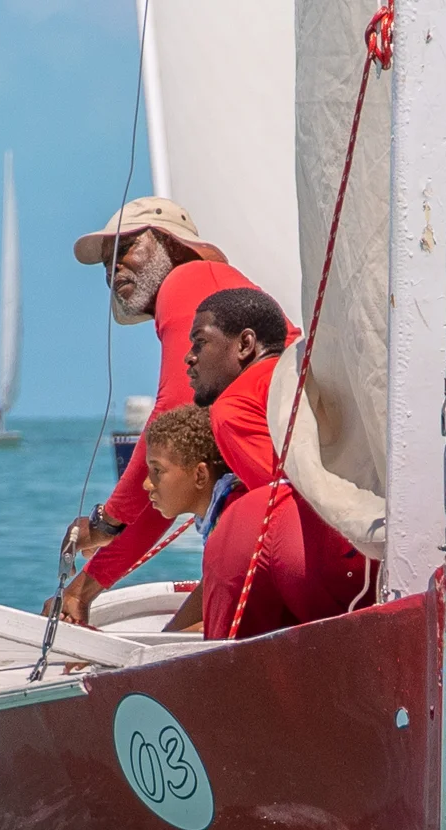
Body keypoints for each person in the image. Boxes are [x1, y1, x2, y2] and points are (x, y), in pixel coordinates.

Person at [48, 197, 295, 624]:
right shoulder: (208, 292)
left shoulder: (187, 278)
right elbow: (167, 487)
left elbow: (170, 415)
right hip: (285, 517)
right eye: (107, 264)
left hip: (283, 522)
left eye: (125, 249)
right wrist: (83, 589)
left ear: (171, 245)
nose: (113, 270)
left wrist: (107, 520)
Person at [186, 287, 374, 639]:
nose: (189, 357)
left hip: (338, 556)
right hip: (391, 537)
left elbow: (281, 497)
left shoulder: (232, 407)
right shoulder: (306, 373)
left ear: (245, 345)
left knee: (243, 516)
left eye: (200, 342)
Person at [133, 404, 242, 633]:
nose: (147, 484)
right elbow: (210, 589)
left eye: (157, 471)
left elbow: (225, 626)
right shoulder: (219, 513)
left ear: (200, 475)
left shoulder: (232, 522)